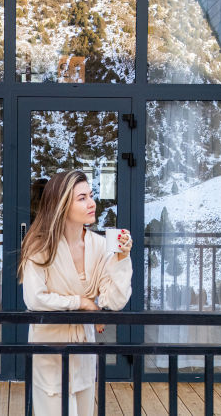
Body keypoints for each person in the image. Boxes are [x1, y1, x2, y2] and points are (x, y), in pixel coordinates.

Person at [18, 170, 133, 416]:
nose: (92, 203)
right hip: (51, 351)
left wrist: (122, 259)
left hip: (83, 351)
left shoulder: (99, 245)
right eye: (82, 198)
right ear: (61, 204)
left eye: (91, 196)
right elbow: (35, 299)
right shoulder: (39, 246)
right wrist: (81, 302)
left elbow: (114, 300)